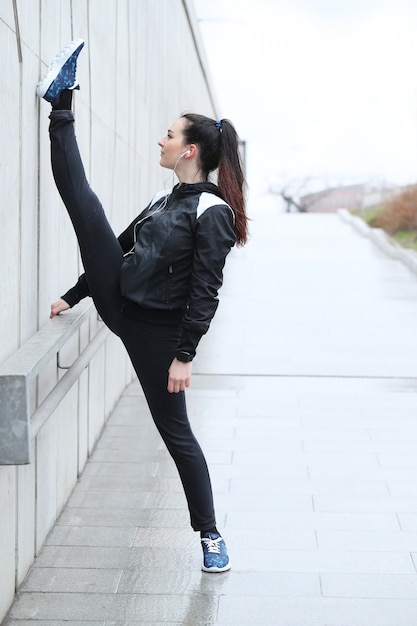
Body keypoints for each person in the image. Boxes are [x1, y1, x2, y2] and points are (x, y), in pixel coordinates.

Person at [36, 39, 248, 573]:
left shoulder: (210, 211)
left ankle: (211, 535)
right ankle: (60, 104)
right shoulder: (164, 201)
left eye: (170, 135)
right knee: (85, 205)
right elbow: (117, 248)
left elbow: (205, 289)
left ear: (190, 150)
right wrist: (76, 293)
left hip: (159, 335)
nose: (161, 139)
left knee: (175, 433)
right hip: (120, 302)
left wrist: (184, 354)